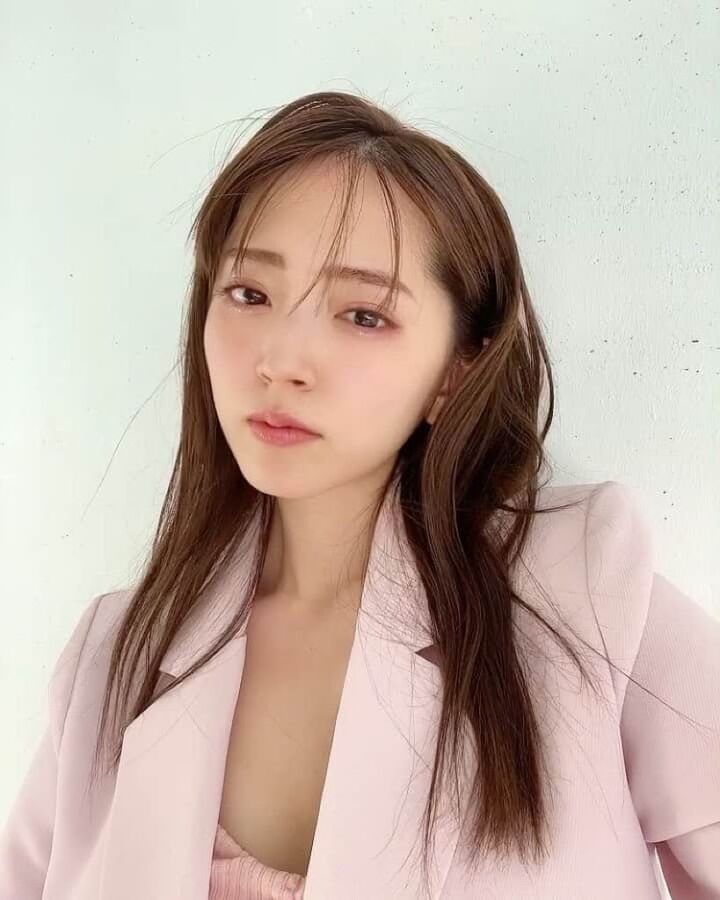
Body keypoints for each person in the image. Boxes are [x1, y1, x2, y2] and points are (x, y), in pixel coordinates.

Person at [1, 90, 718, 900]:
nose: (281, 360)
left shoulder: (585, 598)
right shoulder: (110, 658)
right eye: (249, 294)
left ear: (454, 373)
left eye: (364, 316)